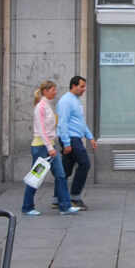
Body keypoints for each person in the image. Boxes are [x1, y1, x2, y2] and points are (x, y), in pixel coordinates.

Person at [22, 80, 79, 217]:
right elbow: (41, 129)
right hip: (41, 147)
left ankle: (65, 206)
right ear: (46, 91)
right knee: (36, 177)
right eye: (53, 90)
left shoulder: (47, 105)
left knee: (60, 175)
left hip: (49, 145)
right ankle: (27, 206)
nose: (55, 92)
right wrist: (49, 147)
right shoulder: (40, 107)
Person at [57, 75, 97, 211]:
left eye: (84, 86)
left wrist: (90, 136)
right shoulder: (65, 101)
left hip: (75, 138)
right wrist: (66, 143)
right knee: (85, 164)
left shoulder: (76, 101)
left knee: (65, 170)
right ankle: (74, 197)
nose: (84, 89)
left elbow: (79, 122)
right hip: (71, 139)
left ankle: (58, 198)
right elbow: (62, 123)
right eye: (81, 86)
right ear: (73, 86)